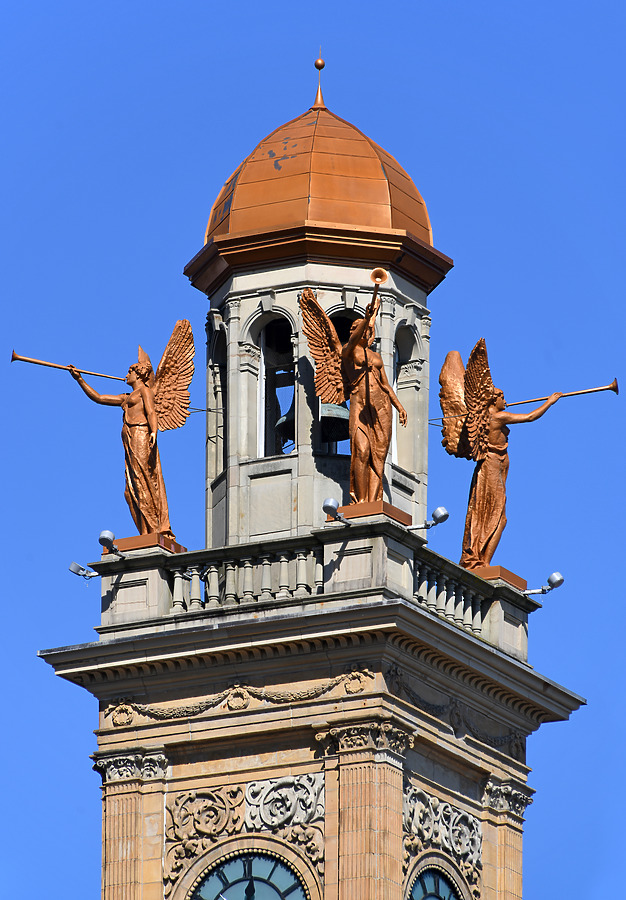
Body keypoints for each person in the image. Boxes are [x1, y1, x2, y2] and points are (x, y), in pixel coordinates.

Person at [69, 362, 174, 538]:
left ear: (138, 374)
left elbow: (151, 413)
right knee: (130, 490)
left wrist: (154, 431)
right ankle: (146, 531)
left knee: (143, 481)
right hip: (130, 440)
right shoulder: (126, 397)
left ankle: (154, 529)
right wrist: (79, 379)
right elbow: (99, 398)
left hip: (141, 435)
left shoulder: (144, 392)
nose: (126, 375)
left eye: (129, 371)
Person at [460, 387, 561, 569]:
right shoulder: (497, 417)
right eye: (502, 398)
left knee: (495, 515)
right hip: (491, 465)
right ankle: (483, 561)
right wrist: (550, 402)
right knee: (498, 516)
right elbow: (529, 417)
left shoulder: (490, 415)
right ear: (493, 400)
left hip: (497, 464)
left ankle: (484, 559)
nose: (505, 402)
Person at [341, 297, 407, 503]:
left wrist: (399, 406)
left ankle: (372, 501)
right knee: (361, 451)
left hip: (381, 407)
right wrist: (369, 317)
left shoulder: (375, 356)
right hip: (359, 407)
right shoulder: (349, 352)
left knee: (377, 456)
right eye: (357, 328)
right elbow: (352, 341)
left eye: (365, 329)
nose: (362, 332)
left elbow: (385, 384)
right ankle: (360, 500)